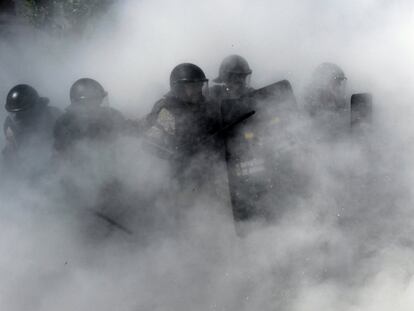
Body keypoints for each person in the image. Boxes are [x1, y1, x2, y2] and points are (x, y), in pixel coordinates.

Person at [145, 63, 222, 189]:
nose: (198, 90)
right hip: (183, 177)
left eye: (200, 85)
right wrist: (176, 154)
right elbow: (151, 143)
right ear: (179, 88)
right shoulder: (168, 111)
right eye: (193, 86)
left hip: (211, 172)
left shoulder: (207, 106)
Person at [53, 78, 126, 156]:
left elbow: (126, 130)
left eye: (98, 99)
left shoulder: (112, 116)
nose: (97, 103)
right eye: (93, 100)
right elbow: (60, 153)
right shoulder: (65, 123)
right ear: (79, 102)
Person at [2, 84, 61, 173]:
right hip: (27, 169)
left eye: (21, 114)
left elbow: (66, 148)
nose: (16, 118)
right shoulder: (10, 125)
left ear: (34, 109)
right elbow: (10, 154)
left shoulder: (53, 116)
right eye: (13, 114)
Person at [303, 62, 349, 138]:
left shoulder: (343, 110)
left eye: (341, 83)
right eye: (337, 83)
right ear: (322, 83)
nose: (339, 87)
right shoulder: (305, 114)